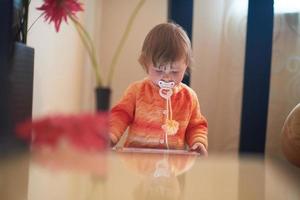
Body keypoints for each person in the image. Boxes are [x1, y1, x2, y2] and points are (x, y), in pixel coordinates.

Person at [109, 22, 208, 155]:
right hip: (135, 161)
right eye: (159, 71)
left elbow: (196, 126)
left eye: (174, 72)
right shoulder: (137, 91)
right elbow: (120, 115)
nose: (167, 78)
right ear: (146, 64)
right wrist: (110, 136)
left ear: (186, 66)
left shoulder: (189, 97)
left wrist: (198, 142)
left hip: (172, 165)